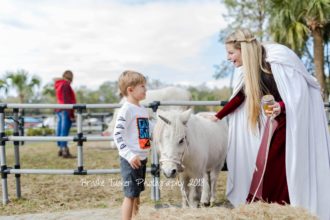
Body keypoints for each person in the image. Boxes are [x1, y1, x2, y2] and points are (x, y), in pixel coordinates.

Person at [210, 29, 330, 220]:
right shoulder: (252, 70)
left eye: (231, 53)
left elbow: (298, 94)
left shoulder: (276, 60)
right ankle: (266, 210)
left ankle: (282, 210)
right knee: (264, 166)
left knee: (277, 168)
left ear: (244, 49)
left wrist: (280, 106)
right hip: (275, 124)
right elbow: (241, 96)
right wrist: (218, 116)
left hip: (291, 124)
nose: (228, 58)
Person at [113, 70, 151, 220]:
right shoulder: (126, 110)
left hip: (141, 158)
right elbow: (117, 135)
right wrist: (129, 155)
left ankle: (136, 216)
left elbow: (144, 130)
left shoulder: (141, 109)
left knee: (137, 192)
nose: (145, 89)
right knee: (130, 195)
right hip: (131, 160)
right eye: (142, 86)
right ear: (130, 90)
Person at [54, 70, 76, 158]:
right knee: (64, 131)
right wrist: (71, 114)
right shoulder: (66, 85)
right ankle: (64, 150)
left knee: (60, 130)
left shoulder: (59, 84)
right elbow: (67, 100)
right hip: (65, 109)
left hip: (59, 108)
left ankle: (61, 148)